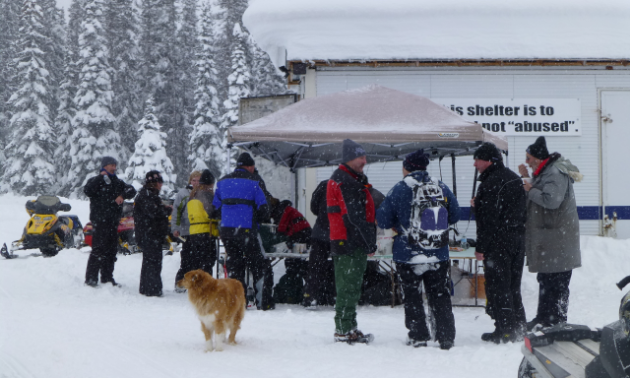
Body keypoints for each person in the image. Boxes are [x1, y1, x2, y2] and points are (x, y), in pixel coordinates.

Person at [376, 149, 460, 350]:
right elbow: (455, 215)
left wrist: (400, 221)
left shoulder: (400, 188)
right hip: (438, 253)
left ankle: (418, 335)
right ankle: (446, 336)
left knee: (413, 296)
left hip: (409, 253)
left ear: (407, 167)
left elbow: (383, 219)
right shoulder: (440, 186)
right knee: (440, 295)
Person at [518, 136, 582, 330]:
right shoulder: (544, 172)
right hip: (551, 241)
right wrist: (527, 180)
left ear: (538, 158)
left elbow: (551, 201)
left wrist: (529, 189)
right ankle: (544, 317)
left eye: (528, 158)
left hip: (559, 241)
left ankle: (557, 322)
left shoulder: (554, 172)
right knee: (546, 280)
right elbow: (540, 191)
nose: (527, 162)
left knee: (558, 284)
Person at [327, 139, 384, 344]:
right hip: (347, 241)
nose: (364, 161)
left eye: (364, 156)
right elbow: (354, 217)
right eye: (360, 157)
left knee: (351, 285)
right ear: (349, 158)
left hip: (351, 240)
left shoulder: (352, 178)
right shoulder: (345, 181)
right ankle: (343, 329)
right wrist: (368, 240)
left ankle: (349, 326)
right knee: (348, 286)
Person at [472, 143, 527, 344]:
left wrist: (481, 247)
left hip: (498, 243)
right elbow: (520, 211)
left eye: (477, 159)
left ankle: (505, 330)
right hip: (517, 241)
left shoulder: (491, 183)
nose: (474, 164)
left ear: (488, 161)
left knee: (498, 287)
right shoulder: (513, 178)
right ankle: (519, 327)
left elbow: (489, 219)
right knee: (513, 286)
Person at [213, 152, 275, 310]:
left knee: (235, 264)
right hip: (247, 230)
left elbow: (213, 210)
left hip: (227, 232)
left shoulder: (222, 182)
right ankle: (263, 302)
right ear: (249, 166)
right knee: (259, 264)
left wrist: (229, 214)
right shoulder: (254, 182)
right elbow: (264, 209)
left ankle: (237, 302)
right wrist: (254, 216)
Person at [84, 156, 136, 287]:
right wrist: (100, 177)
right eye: (111, 165)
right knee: (98, 250)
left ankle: (107, 278)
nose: (114, 168)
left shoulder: (117, 182)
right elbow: (87, 191)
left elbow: (132, 190)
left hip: (113, 222)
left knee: (111, 251)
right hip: (99, 222)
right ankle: (91, 279)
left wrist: (122, 196)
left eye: (115, 165)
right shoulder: (95, 180)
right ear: (104, 166)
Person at [175, 169, 218, 290]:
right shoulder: (206, 194)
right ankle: (205, 287)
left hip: (193, 232)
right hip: (205, 231)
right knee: (207, 262)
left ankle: (194, 286)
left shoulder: (193, 194)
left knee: (196, 261)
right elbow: (211, 213)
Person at [134, 171, 172, 297]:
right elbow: (152, 213)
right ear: (153, 183)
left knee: (151, 261)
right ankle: (152, 288)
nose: (161, 185)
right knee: (152, 261)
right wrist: (164, 211)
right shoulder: (145, 195)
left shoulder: (151, 195)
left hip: (152, 234)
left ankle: (148, 287)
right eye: (159, 182)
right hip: (149, 234)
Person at [302, 180, 331, 308]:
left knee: (315, 267)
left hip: (320, 232)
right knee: (340, 266)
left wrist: (323, 214)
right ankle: (336, 296)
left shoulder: (324, 184)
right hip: (340, 234)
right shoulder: (350, 186)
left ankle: (310, 295)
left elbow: (313, 207)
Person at [171, 171, 202, 292]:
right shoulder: (182, 193)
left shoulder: (204, 194)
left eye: (198, 180)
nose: (195, 183)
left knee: (199, 259)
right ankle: (180, 284)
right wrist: (175, 228)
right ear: (190, 181)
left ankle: (196, 284)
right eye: (193, 180)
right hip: (186, 231)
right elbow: (176, 212)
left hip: (200, 232)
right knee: (187, 260)